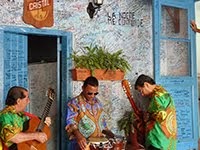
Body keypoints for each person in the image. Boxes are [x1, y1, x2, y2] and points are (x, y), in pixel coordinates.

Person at [65, 76, 113, 150]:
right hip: (82, 145)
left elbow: (103, 123)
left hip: (98, 146)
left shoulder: (98, 103)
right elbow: (70, 123)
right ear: (83, 88)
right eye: (90, 93)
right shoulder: (74, 103)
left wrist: (110, 134)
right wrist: (79, 136)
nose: (92, 96)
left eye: (95, 93)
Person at [134, 74, 177, 150]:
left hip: (158, 138)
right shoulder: (163, 92)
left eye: (141, 90)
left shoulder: (157, 96)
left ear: (146, 84)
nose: (142, 94)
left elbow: (161, 115)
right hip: (167, 138)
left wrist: (147, 115)